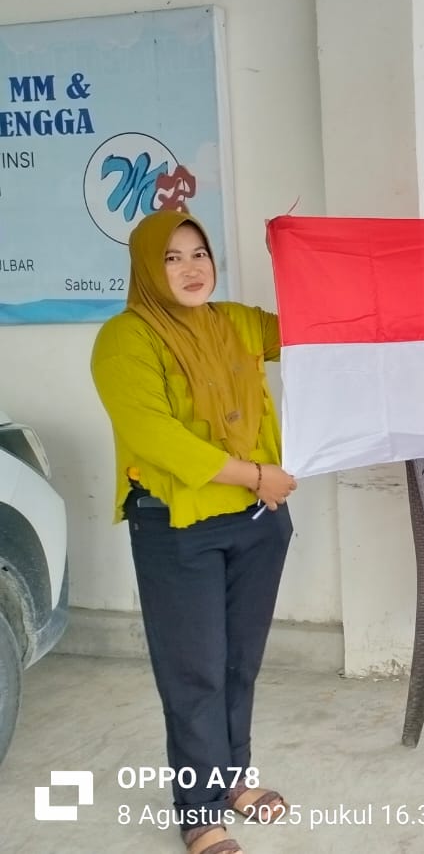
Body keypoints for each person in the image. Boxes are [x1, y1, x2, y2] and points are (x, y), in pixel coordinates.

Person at [91, 209, 298, 854]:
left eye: (199, 253)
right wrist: (256, 474)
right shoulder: (125, 338)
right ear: (148, 268)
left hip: (259, 522)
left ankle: (233, 780)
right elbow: (157, 436)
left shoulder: (237, 322)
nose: (190, 268)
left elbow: (314, 331)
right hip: (178, 527)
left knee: (240, 663)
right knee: (195, 673)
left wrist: (303, 256)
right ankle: (199, 810)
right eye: (172, 257)